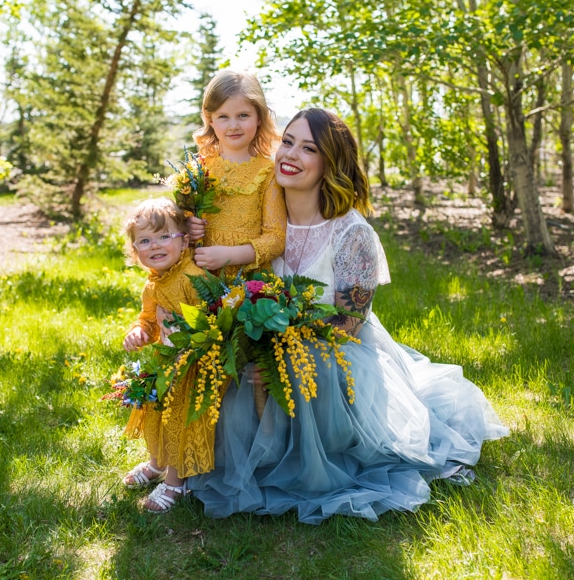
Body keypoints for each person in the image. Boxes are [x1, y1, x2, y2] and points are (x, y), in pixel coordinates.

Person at [187, 108, 510, 524]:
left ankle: (325, 453)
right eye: (287, 142)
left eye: (309, 148)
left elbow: (349, 324)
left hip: (336, 351)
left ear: (330, 163)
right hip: (271, 335)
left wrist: (280, 354)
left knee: (307, 369)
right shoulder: (265, 220)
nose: (291, 155)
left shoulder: (352, 233)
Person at [119, 198, 213, 513]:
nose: (154, 245)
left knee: (176, 420)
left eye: (163, 237)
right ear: (135, 252)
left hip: (193, 367)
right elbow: (147, 319)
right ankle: (157, 463)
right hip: (167, 363)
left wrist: (188, 327)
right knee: (154, 414)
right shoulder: (152, 285)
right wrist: (139, 331)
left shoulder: (193, 278)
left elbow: (214, 318)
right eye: (144, 241)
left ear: (184, 241)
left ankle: (176, 483)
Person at [185, 69, 286, 277]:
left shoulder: (267, 174)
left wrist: (229, 255)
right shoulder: (197, 171)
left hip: (250, 285)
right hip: (200, 279)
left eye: (243, 115)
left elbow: (276, 239)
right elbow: (173, 229)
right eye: (223, 116)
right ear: (210, 119)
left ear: (259, 117)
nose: (233, 125)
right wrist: (186, 226)